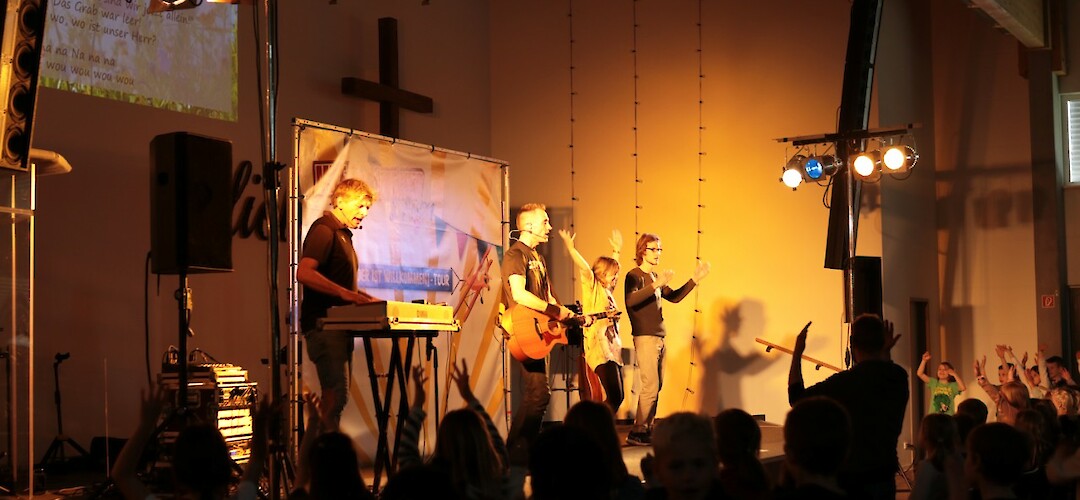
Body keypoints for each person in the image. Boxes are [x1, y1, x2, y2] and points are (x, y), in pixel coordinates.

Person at [787, 315, 908, 500]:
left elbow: (797, 399)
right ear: (882, 342)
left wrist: (797, 352)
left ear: (852, 344)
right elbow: (882, 372)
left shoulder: (844, 382)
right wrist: (884, 352)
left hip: (853, 480)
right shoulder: (899, 377)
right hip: (885, 476)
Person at [297, 178, 380, 427]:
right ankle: (320, 449)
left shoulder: (343, 235)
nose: (364, 212)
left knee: (336, 399)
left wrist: (363, 297)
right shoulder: (325, 229)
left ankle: (323, 447)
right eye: (360, 205)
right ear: (340, 201)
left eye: (367, 208)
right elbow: (304, 272)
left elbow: (338, 282)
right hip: (324, 325)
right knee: (335, 398)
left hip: (338, 327)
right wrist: (346, 294)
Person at [501, 203, 573, 463]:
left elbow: (548, 296)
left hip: (540, 333)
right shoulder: (515, 254)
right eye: (545, 222)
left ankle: (515, 454)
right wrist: (553, 309)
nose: (550, 227)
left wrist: (566, 314)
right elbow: (519, 294)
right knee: (539, 394)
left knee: (537, 394)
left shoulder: (538, 258)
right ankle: (517, 455)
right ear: (529, 226)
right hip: (525, 332)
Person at [624, 233, 710, 445]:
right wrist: (656, 285)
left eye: (660, 249)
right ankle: (638, 430)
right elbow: (631, 301)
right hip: (645, 337)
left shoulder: (654, 277)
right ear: (642, 251)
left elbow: (674, 297)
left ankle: (647, 427)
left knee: (657, 385)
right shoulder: (634, 276)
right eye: (654, 249)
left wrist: (694, 280)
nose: (658, 253)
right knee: (650, 386)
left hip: (660, 337)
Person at [558, 228, 625, 413]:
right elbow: (585, 269)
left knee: (617, 396)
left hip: (612, 347)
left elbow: (614, 270)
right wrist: (571, 248)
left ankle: (597, 424)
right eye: (612, 274)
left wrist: (617, 251)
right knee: (615, 396)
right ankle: (594, 425)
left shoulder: (607, 291)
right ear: (602, 274)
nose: (616, 277)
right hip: (599, 347)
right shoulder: (593, 287)